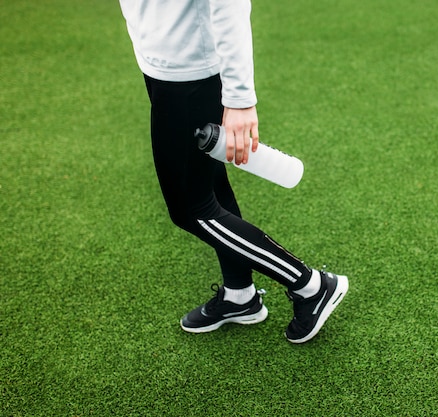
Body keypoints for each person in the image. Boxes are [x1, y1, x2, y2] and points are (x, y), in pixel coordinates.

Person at [118, 0, 348, 343]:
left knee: (190, 209)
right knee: (207, 185)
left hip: (191, 72)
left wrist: (240, 99)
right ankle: (240, 295)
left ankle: (311, 286)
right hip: (162, 62)